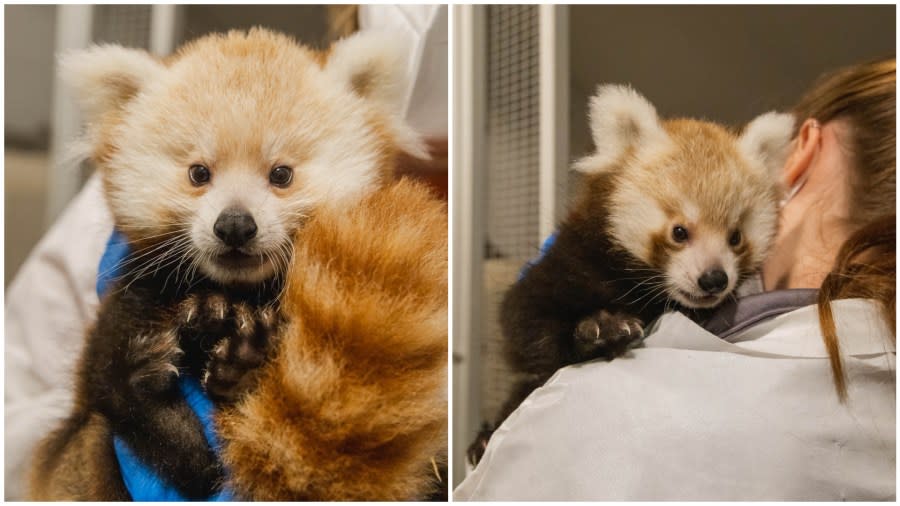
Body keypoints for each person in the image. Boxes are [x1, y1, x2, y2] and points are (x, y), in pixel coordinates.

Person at [4, 5, 447, 500]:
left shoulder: (388, 252)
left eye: (281, 176)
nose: (235, 218)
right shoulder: (102, 241)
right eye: (200, 175)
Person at [455, 58, 895, 500]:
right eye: (680, 234)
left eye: (735, 238)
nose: (715, 272)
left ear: (805, 152)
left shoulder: (593, 412)